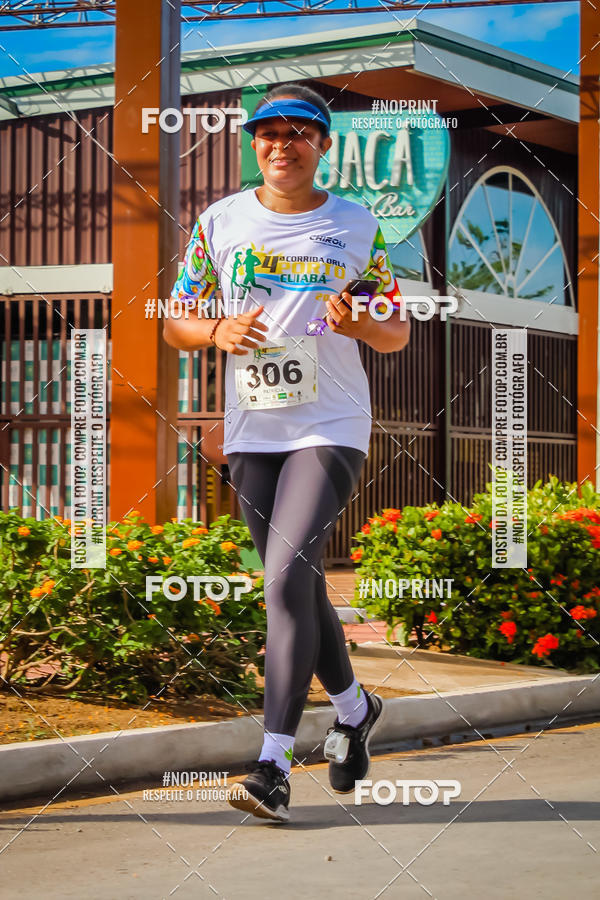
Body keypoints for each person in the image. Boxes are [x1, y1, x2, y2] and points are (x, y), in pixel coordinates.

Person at [164, 83, 410, 823]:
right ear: (255, 143)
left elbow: (396, 329)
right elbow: (177, 316)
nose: (282, 144)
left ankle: (272, 764)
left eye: (299, 132)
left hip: (329, 424)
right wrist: (213, 333)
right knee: (293, 584)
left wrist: (359, 321)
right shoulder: (222, 221)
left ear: (322, 145)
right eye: (268, 132)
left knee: (284, 578)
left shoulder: (358, 225)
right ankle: (355, 707)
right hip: (252, 429)